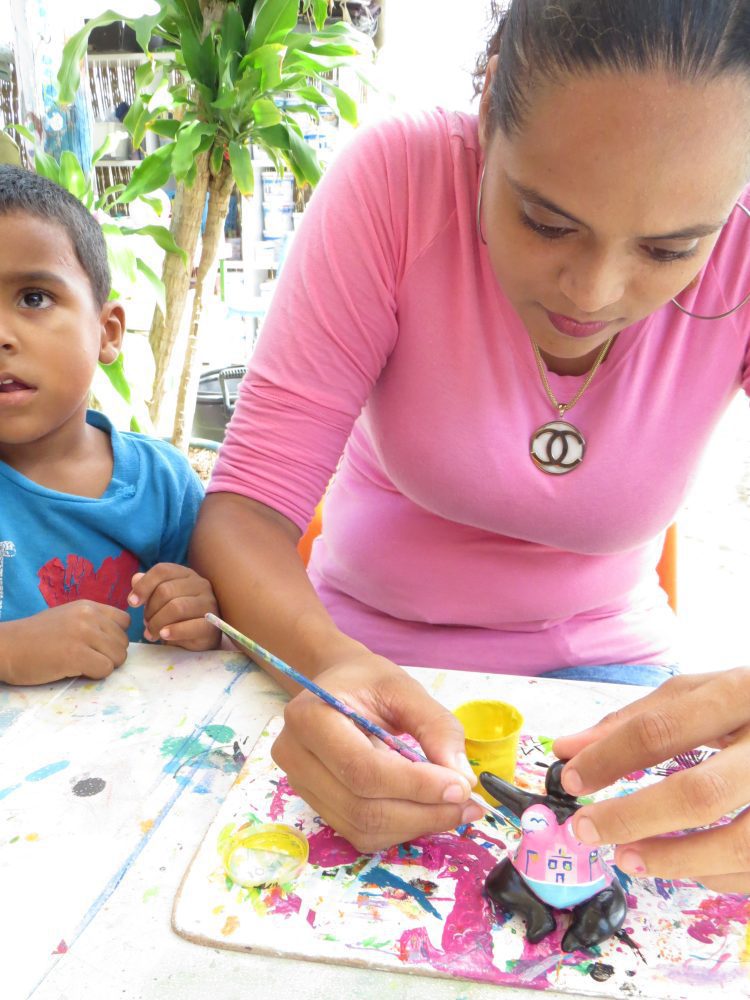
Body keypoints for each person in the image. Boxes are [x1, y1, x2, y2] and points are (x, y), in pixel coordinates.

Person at [191, 0, 750, 892]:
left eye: (671, 249)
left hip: (609, 694)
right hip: (354, 658)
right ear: (489, 109)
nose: (593, 293)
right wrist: (332, 666)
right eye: (547, 222)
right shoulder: (399, 184)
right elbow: (245, 513)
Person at [0, 165, 218, 687]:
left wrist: (202, 618)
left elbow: (220, 628)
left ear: (107, 332)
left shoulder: (163, 485)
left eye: (33, 298)